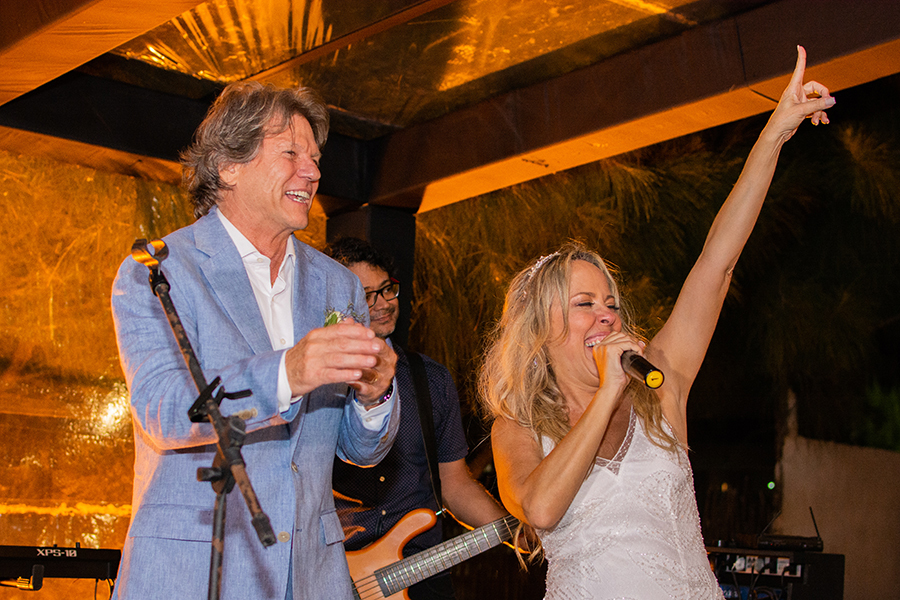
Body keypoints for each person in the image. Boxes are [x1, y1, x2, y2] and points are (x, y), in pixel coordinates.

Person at [478, 47, 834, 599]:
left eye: (611, 301)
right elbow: (542, 508)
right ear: (541, 331)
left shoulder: (660, 387)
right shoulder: (518, 429)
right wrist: (604, 396)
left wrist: (774, 134)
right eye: (584, 303)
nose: (606, 314)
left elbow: (717, 265)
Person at [110, 82, 400, 600]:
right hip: (196, 574)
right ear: (228, 165)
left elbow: (360, 451)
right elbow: (166, 411)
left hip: (313, 579)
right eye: (290, 153)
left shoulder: (338, 284)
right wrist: (288, 373)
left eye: (314, 158)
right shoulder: (159, 272)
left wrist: (375, 396)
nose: (311, 172)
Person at [326, 237, 509, 600]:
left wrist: (515, 530)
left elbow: (454, 484)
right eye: (366, 296)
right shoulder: (318, 385)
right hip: (336, 577)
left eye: (387, 290)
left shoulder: (432, 379)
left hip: (421, 575)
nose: (383, 305)